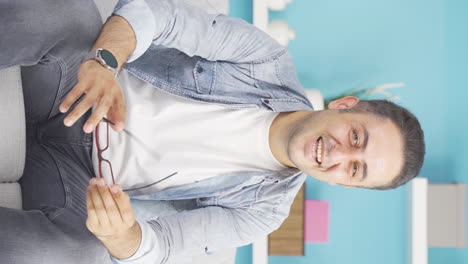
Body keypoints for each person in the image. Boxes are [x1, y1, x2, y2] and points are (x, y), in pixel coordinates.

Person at [0, 0, 425, 263]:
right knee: (66, 11)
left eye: (354, 169)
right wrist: (106, 64)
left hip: (80, 181)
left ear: (346, 184)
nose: (337, 155)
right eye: (356, 138)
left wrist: (122, 236)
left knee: (77, 254)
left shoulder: (263, 213)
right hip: (82, 83)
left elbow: (163, 246)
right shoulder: (266, 60)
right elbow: (157, 17)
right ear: (344, 106)